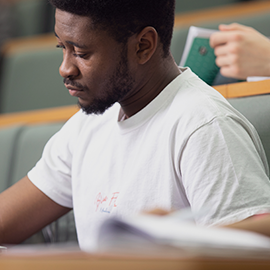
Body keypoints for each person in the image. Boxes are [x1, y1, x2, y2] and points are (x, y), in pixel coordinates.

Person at [1, 0, 270, 251]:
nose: (65, 68)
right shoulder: (86, 126)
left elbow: (249, 253)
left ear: (143, 45)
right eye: (63, 48)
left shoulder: (205, 127)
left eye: (81, 52)